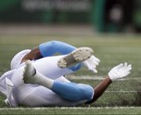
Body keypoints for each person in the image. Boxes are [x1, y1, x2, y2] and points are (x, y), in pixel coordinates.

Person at [0, 40, 132, 107]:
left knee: (82, 91)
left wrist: (109, 77)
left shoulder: (25, 64)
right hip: (28, 88)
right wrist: (108, 78)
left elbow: (53, 45)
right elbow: (53, 45)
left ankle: (41, 76)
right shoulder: (24, 61)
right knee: (85, 93)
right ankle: (40, 78)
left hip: (21, 90)